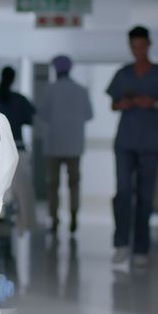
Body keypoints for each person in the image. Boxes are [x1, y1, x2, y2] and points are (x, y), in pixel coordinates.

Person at [106, 26, 158, 267]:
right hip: (126, 142)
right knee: (123, 193)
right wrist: (125, 103)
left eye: (141, 46)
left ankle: (141, 248)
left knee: (145, 197)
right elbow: (113, 105)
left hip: (151, 143)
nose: (137, 51)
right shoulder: (123, 74)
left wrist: (154, 103)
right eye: (133, 47)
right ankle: (121, 244)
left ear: (148, 45)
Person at [37, 55, 93, 235]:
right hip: (74, 146)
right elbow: (89, 115)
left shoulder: (50, 90)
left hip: (54, 144)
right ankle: (74, 217)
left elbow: (43, 115)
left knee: (52, 185)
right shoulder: (81, 90)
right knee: (74, 184)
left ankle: (54, 220)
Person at [0, 66, 37, 234]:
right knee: (23, 189)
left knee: (0, 187)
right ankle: (24, 224)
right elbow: (31, 120)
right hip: (17, 148)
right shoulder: (20, 100)